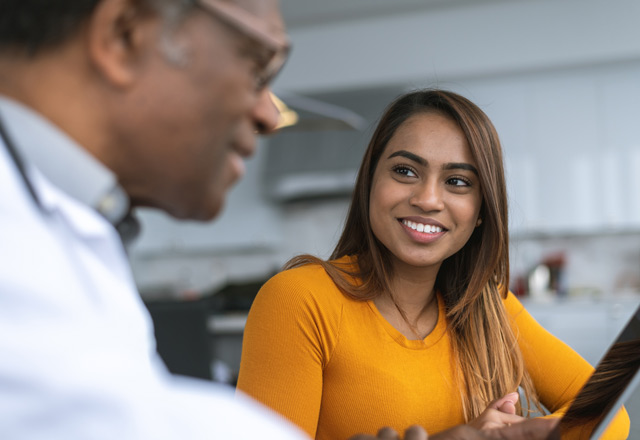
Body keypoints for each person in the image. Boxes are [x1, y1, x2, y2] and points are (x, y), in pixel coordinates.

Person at [0, 2, 589, 439]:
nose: (270, 113)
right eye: (257, 69)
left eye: (458, 182)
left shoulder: (71, 229)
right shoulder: (302, 300)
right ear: (123, 34)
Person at [236, 89, 631, 439]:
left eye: (458, 181)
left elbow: (611, 416)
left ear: (480, 211)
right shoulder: (299, 300)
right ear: (370, 182)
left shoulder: (488, 305)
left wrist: (530, 433)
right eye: (405, 171)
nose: (427, 199)